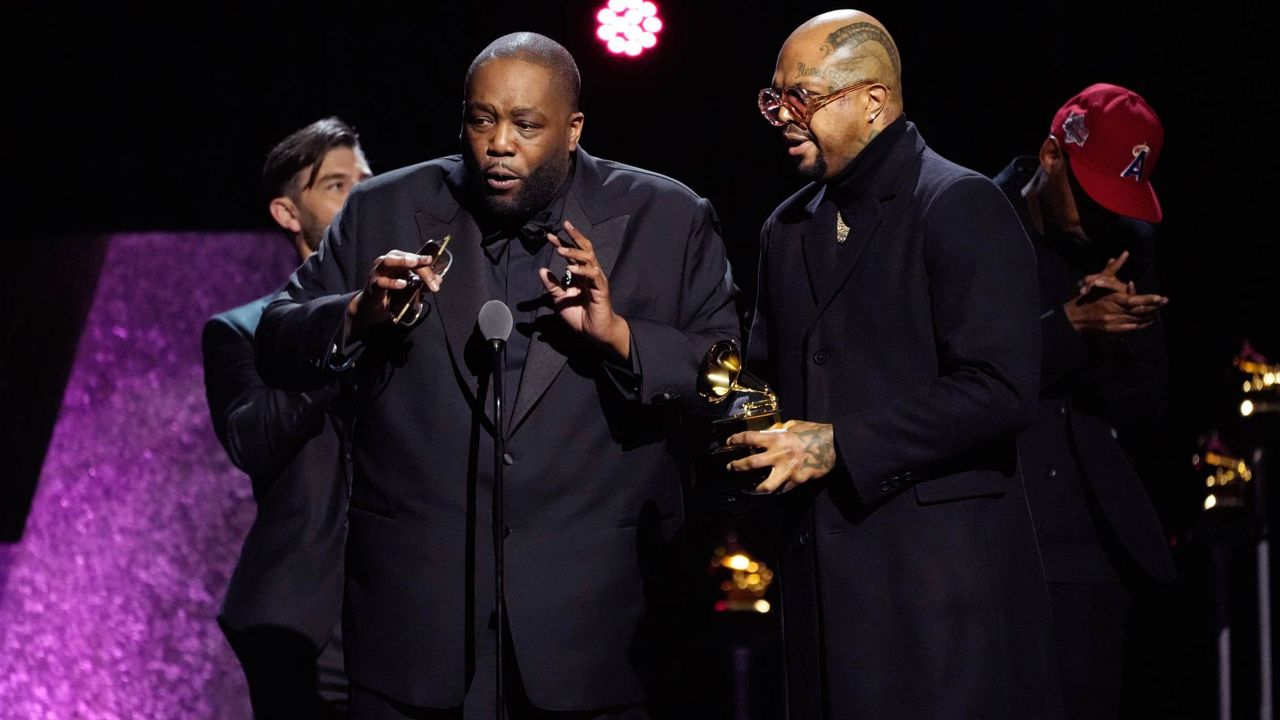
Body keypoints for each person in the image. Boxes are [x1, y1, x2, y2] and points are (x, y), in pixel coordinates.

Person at [254, 32, 739, 719]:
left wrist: (621, 337)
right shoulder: (381, 209)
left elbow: (726, 376)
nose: (498, 144)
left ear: (573, 129)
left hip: (597, 631)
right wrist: (360, 313)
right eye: (482, 120)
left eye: (525, 124)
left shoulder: (668, 219)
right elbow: (276, 339)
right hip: (414, 628)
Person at [727, 10, 1062, 718]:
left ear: (873, 101)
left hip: (934, 597)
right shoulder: (787, 228)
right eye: (774, 98)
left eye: (803, 98)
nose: (782, 116)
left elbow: (1000, 388)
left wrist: (839, 444)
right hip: (820, 586)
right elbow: (760, 380)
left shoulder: (958, 203)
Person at [991, 83, 1175, 719]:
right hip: (993, 533)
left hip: (1091, 544)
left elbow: (1148, 407)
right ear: (1050, 156)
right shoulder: (974, 222)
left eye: (1119, 202)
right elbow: (962, 382)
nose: (1103, 218)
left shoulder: (1126, 246)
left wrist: (1117, 340)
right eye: (1093, 195)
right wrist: (1069, 328)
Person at [203, 116, 373, 718]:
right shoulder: (242, 330)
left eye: (367, 180)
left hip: (420, 600)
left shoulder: (420, 315)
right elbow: (252, 439)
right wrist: (346, 336)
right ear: (287, 213)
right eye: (336, 185)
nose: (362, 195)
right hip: (310, 617)